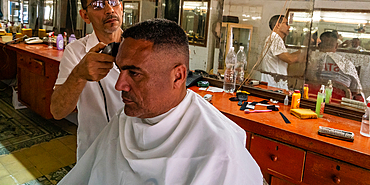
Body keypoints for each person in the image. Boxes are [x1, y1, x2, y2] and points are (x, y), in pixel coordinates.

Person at [58, 19, 263, 185]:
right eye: (121, 71)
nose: (119, 85)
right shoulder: (125, 120)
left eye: (135, 73)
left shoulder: (218, 150)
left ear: (178, 76)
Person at [50, 0, 124, 161]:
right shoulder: (75, 51)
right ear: (85, 15)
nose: (109, 10)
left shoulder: (142, 47)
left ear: (121, 6)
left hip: (139, 148)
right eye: (98, 5)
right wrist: (79, 74)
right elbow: (57, 111)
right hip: (94, 151)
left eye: (113, 1)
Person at [308, 31, 363, 100]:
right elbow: (356, 91)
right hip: (339, 106)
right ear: (336, 46)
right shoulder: (347, 64)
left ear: (319, 45)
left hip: (312, 100)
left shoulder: (311, 59)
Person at [260, 15, 303, 90]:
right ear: (278, 25)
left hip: (274, 85)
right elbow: (289, 59)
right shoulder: (275, 38)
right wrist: (303, 55)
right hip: (274, 86)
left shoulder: (274, 38)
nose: (289, 27)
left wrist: (300, 52)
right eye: (286, 24)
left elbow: (286, 55)